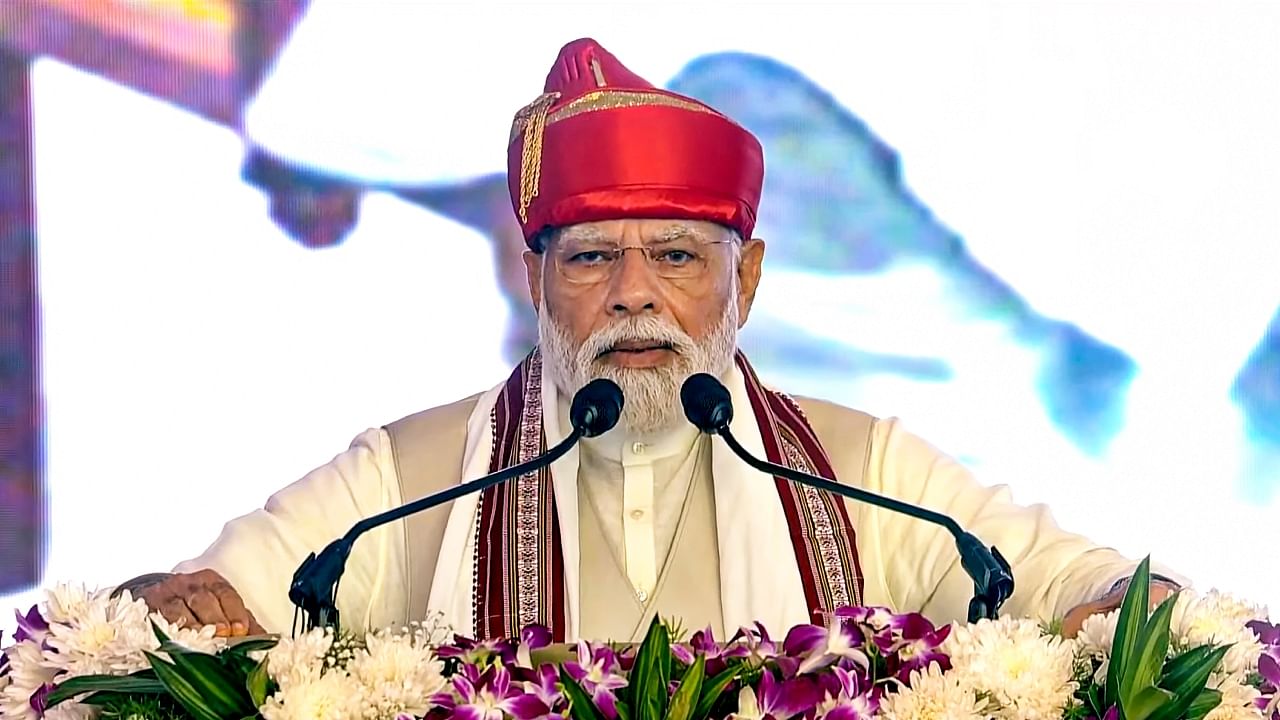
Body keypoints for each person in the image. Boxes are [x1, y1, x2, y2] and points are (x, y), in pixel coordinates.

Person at [122, 38, 1178, 642]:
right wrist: (166, 616)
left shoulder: (865, 475)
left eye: (674, 257)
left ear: (745, 281)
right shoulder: (406, 480)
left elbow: (1054, 581)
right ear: (534, 280)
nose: (633, 296)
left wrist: (1114, 613)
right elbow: (213, 603)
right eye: (589, 260)